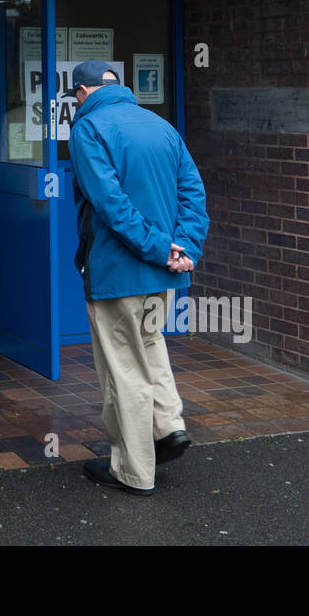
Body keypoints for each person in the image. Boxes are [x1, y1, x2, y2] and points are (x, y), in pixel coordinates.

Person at [69, 60, 209, 494]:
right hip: (162, 274)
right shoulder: (161, 126)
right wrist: (181, 248)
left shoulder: (88, 130)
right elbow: (194, 194)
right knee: (149, 345)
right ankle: (168, 428)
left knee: (123, 369)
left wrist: (156, 246)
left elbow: (110, 203)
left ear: (82, 93)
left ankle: (133, 471)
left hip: (116, 272)